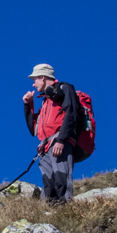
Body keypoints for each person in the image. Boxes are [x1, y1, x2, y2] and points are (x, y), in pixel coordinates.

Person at [22, 63, 79, 202]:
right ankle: (50, 215)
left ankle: (66, 211)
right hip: (45, 148)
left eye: (34, 80)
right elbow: (34, 130)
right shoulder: (46, 101)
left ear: (42, 77)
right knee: (48, 185)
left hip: (59, 142)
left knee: (62, 179)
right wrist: (28, 104)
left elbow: (71, 114)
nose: (33, 85)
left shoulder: (65, 89)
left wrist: (61, 140)